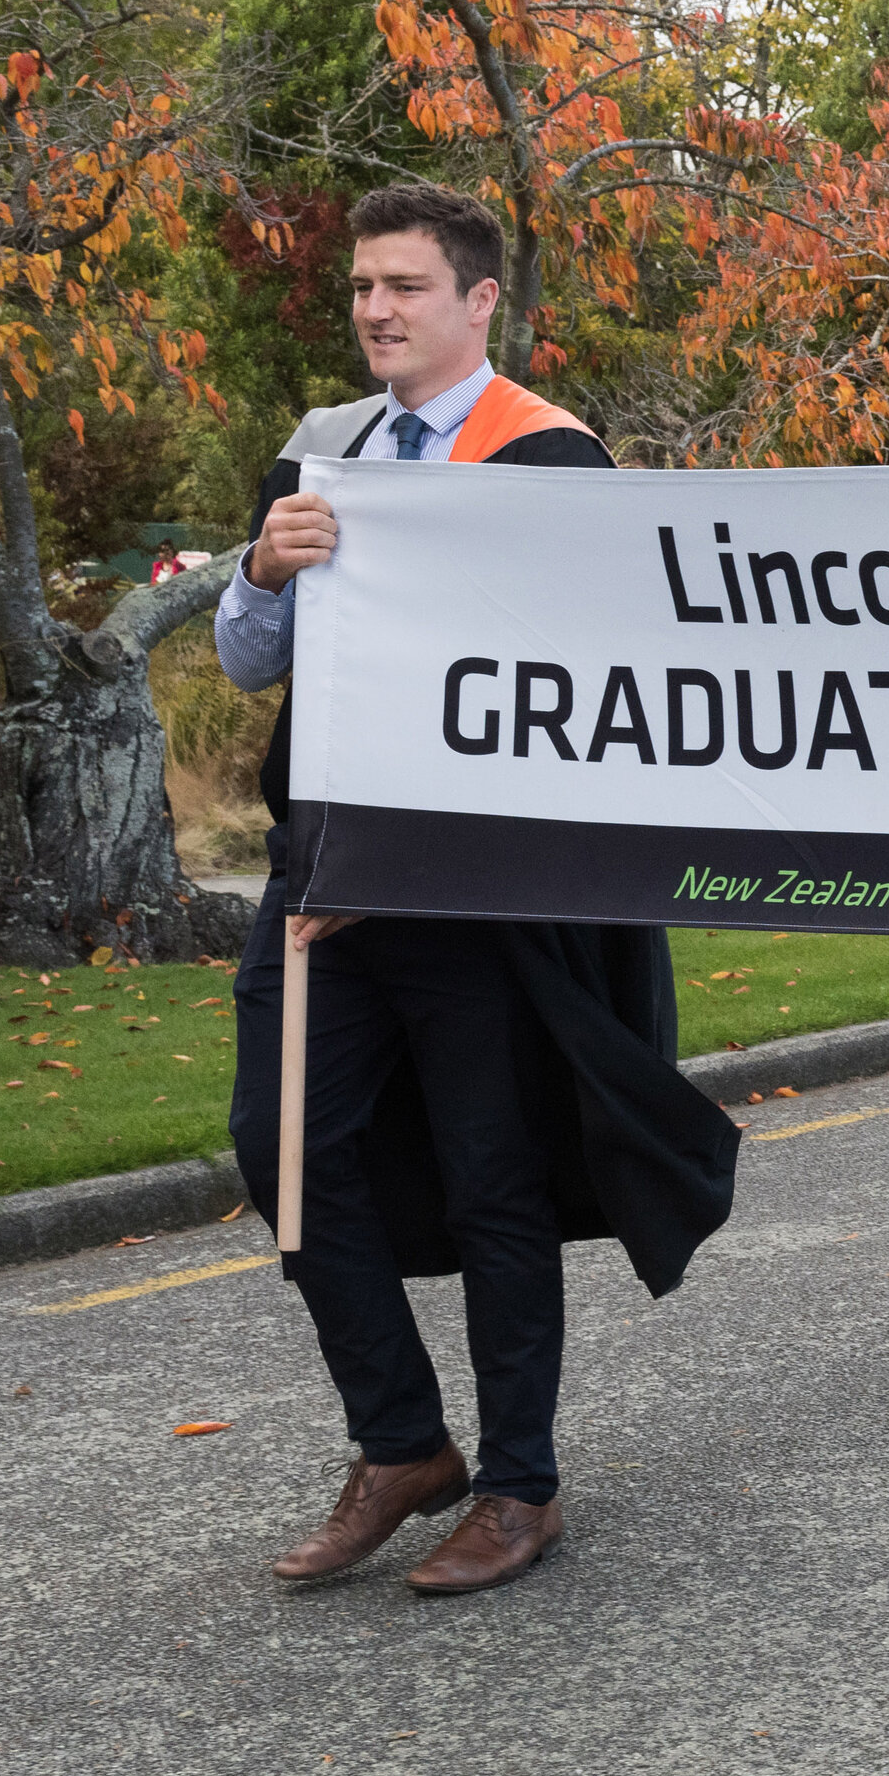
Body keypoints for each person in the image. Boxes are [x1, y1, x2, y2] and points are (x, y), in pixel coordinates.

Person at [217, 182, 741, 1596]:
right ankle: (400, 1444)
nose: (377, 311)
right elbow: (251, 660)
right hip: (317, 879)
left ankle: (518, 1483)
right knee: (287, 1159)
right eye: (362, 290)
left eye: (404, 287)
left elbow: (578, 692)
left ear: (478, 301)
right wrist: (261, 571)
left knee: (491, 1180)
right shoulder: (323, 456)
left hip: (472, 899)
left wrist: (400, 862)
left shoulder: (550, 462)